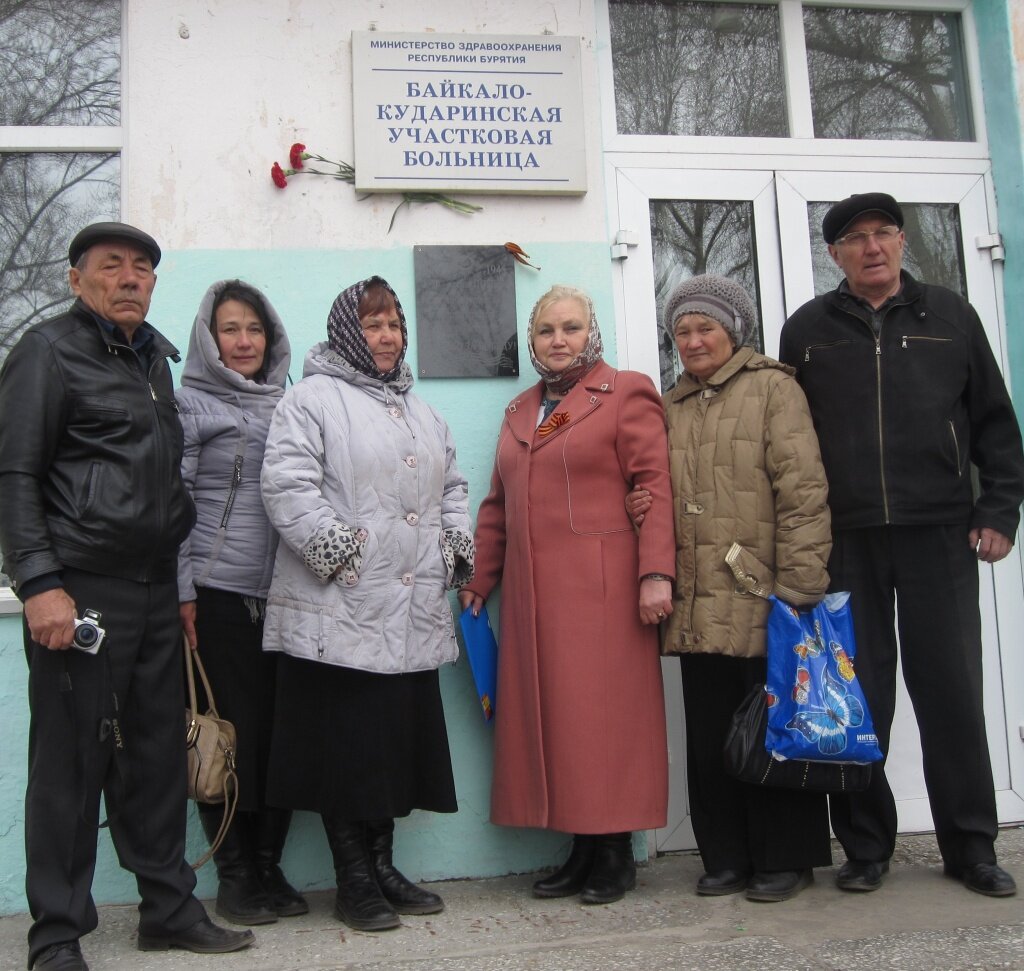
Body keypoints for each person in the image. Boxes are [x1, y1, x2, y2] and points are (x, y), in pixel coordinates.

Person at [0, 222, 253, 971]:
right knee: (71, 764)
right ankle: (54, 935)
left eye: (142, 267)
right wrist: (39, 583)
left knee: (154, 761)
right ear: (77, 279)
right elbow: (13, 476)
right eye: (112, 266)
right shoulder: (47, 352)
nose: (130, 278)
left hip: (150, 591)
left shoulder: (155, 363)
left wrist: (174, 588)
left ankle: (168, 909)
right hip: (80, 592)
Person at [779, 192, 1024, 897]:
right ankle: (865, 846)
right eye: (855, 238)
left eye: (884, 232)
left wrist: (998, 509)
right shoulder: (808, 331)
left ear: (902, 241)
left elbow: (995, 424)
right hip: (845, 540)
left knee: (950, 690)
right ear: (835, 254)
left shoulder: (950, 315)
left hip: (939, 534)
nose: (872, 247)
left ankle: (972, 845)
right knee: (856, 699)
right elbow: (789, 440)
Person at [259, 275, 473, 932]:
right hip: (342, 607)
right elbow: (287, 489)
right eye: (374, 323)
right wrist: (345, 556)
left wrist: (450, 552)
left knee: (390, 748)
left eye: (394, 324)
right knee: (344, 749)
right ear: (349, 329)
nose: (386, 336)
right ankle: (353, 879)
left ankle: (381, 866)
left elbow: (454, 486)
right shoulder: (311, 400)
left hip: (408, 613)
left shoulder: (421, 411)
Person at [458, 285, 675, 905]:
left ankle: (615, 852)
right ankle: (581, 849)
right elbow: (498, 505)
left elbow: (652, 483)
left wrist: (656, 572)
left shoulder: (624, 390)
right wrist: (481, 579)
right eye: (548, 329)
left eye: (572, 328)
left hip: (604, 590)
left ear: (592, 333)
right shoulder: (522, 409)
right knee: (559, 723)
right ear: (533, 339)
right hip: (534, 598)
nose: (560, 340)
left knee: (604, 720)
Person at [628, 275, 834, 902]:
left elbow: (804, 493)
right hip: (696, 600)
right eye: (682, 331)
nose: (692, 340)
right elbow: (654, 487)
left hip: (764, 596)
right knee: (714, 733)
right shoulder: (670, 405)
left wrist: (800, 588)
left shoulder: (775, 390)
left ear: (733, 330)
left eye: (705, 328)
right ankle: (725, 857)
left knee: (776, 730)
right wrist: (638, 502)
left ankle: (785, 858)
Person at [177, 280, 307, 925]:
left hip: (284, 597)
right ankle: (233, 874)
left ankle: (268, 866)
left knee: (278, 739)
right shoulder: (190, 406)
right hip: (216, 598)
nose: (245, 340)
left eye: (255, 328)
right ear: (209, 337)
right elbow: (170, 508)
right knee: (223, 740)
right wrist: (182, 591)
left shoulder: (294, 405)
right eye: (231, 329)